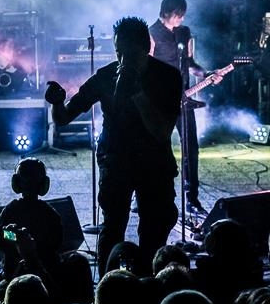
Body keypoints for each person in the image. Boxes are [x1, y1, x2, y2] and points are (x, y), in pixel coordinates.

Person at [45, 16, 182, 274]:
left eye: (130, 54)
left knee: (155, 227)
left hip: (154, 163)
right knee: (112, 227)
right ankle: (108, 284)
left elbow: (161, 132)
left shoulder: (168, 77)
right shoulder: (106, 76)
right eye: (119, 52)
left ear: (146, 48)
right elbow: (63, 117)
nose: (123, 60)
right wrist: (56, 102)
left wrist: (137, 92)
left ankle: (147, 281)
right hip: (116, 160)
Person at [148, 0, 220, 216]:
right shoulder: (151, 33)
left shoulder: (184, 32)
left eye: (183, 15)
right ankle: (148, 195)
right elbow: (146, 67)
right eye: (178, 14)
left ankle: (192, 199)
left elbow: (190, 63)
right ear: (166, 12)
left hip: (184, 99)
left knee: (191, 148)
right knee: (156, 148)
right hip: (160, 101)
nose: (181, 18)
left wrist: (207, 74)